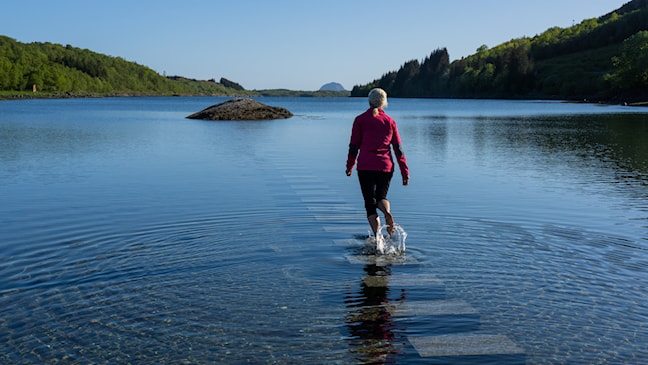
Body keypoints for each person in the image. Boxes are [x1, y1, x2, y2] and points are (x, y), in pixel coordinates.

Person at [346, 88, 409, 239]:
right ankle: (387, 212)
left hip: (366, 166)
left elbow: (354, 146)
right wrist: (404, 172)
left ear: (369, 101)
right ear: (384, 103)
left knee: (370, 204)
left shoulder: (360, 120)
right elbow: (398, 149)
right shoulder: (390, 122)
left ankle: (378, 238)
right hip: (386, 166)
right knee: (381, 197)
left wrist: (349, 166)